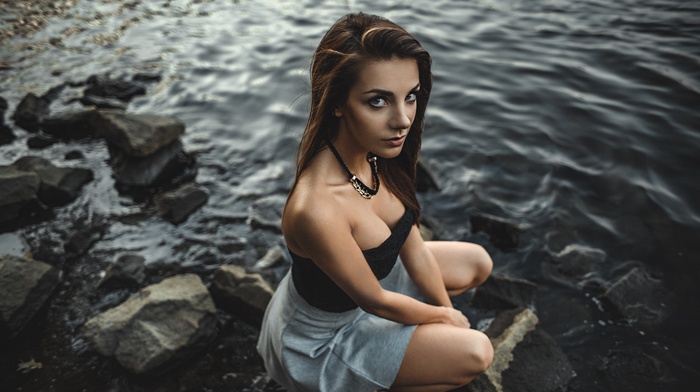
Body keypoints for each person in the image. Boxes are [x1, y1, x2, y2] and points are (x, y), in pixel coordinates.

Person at [257, 12, 494, 392]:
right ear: (337, 102)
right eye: (379, 101)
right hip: (324, 338)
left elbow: (413, 249)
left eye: (411, 96)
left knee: (477, 262)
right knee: (476, 353)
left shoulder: (375, 154)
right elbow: (377, 302)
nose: (403, 120)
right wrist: (445, 321)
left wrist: (448, 313)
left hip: (375, 284)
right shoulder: (315, 208)